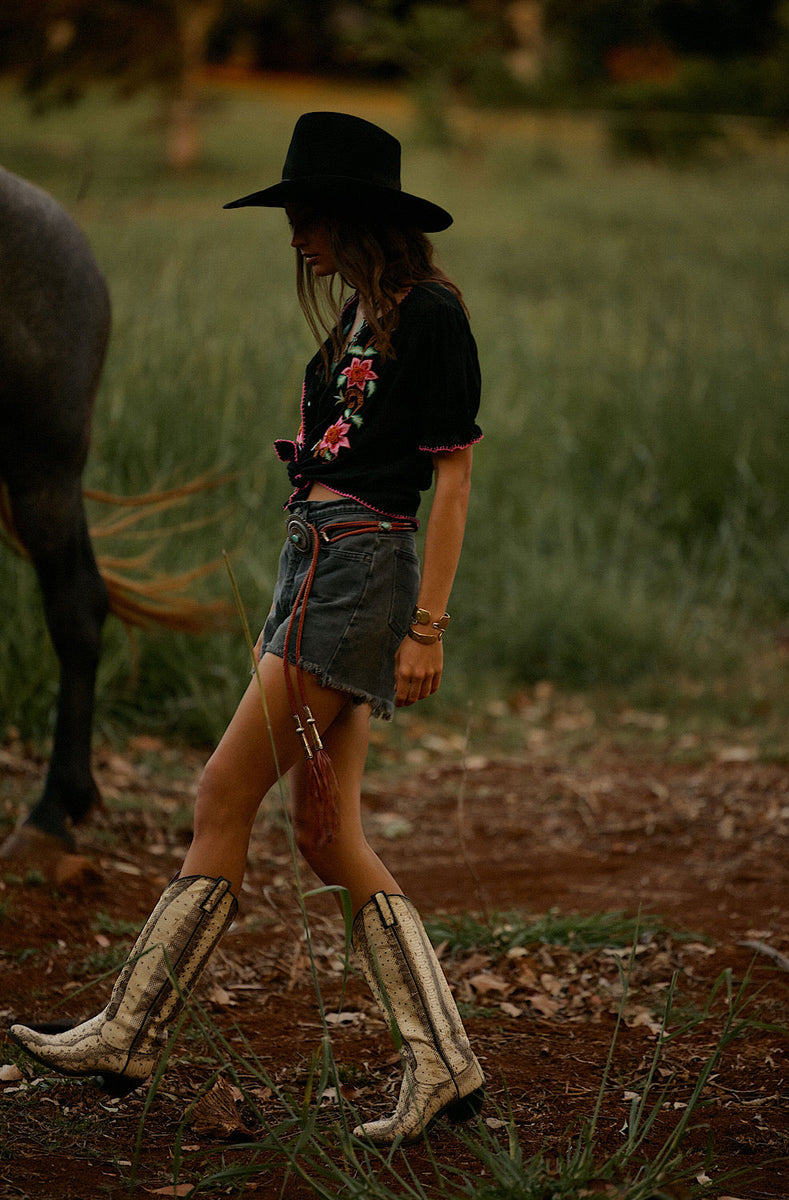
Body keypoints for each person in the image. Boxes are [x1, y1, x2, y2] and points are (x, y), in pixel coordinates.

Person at [9, 111, 485, 1146]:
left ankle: (129, 1031)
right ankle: (444, 1061)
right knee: (322, 834)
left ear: (355, 218)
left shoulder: (433, 315)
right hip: (314, 563)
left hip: (359, 572)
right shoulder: (366, 316)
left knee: (221, 791)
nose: (294, 237)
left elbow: (448, 479)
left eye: (306, 216)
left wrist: (427, 627)